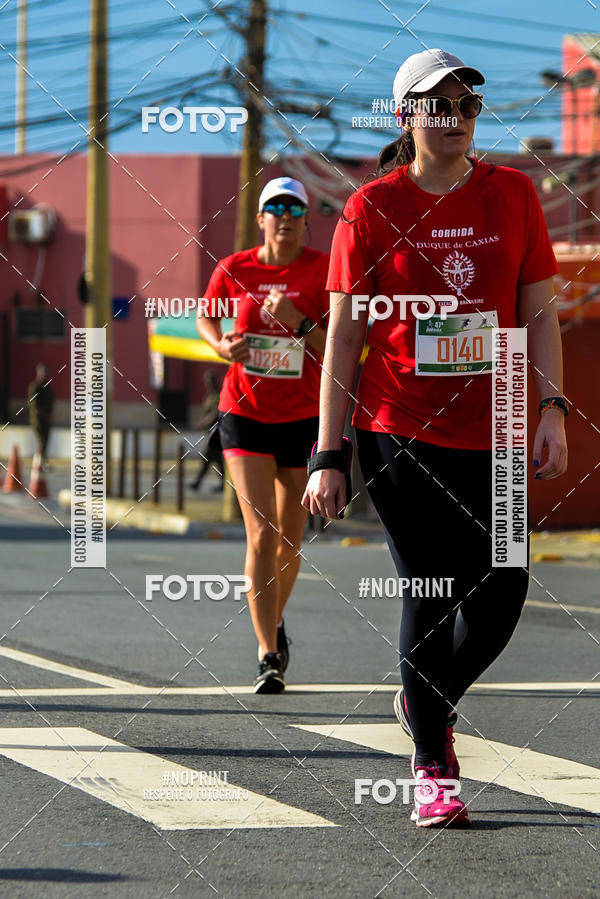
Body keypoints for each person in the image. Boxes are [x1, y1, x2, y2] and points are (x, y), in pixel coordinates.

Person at [303, 49, 568, 827]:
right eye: (438, 104)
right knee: (430, 585)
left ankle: (428, 700)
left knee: (504, 588)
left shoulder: (514, 194)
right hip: (398, 430)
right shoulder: (370, 209)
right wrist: (328, 453)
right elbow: (344, 340)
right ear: (406, 118)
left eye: (467, 105)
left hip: (500, 426)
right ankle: (432, 762)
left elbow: (541, 313)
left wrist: (550, 408)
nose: (455, 116)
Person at [197, 177, 329, 693]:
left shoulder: (320, 270)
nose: (285, 215)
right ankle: (268, 653)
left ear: (304, 220)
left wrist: (298, 321)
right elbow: (206, 319)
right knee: (261, 533)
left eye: (294, 207)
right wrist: (220, 344)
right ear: (261, 218)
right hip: (245, 411)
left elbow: (339, 346)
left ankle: (271, 617)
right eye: (274, 207)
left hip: (302, 417)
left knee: (290, 541)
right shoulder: (235, 268)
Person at [189, 369, 225, 492]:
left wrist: (203, 422)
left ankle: (198, 483)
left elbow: (216, 413)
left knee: (207, 457)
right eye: (206, 381)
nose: (208, 383)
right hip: (211, 432)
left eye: (210, 381)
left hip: (217, 432)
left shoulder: (218, 394)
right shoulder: (209, 394)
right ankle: (222, 485)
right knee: (217, 460)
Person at [27, 362, 54, 468]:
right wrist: (44, 416)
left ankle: (43, 462)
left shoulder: (47, 386)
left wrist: (49, 416)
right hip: (38, 420)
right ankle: (40, 463)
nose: (44, 375)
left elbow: (51, 401)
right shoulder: (34, 386)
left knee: (46, 441)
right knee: (41, 441)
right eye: (43, 372)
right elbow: (34, 405)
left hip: (47, 418)